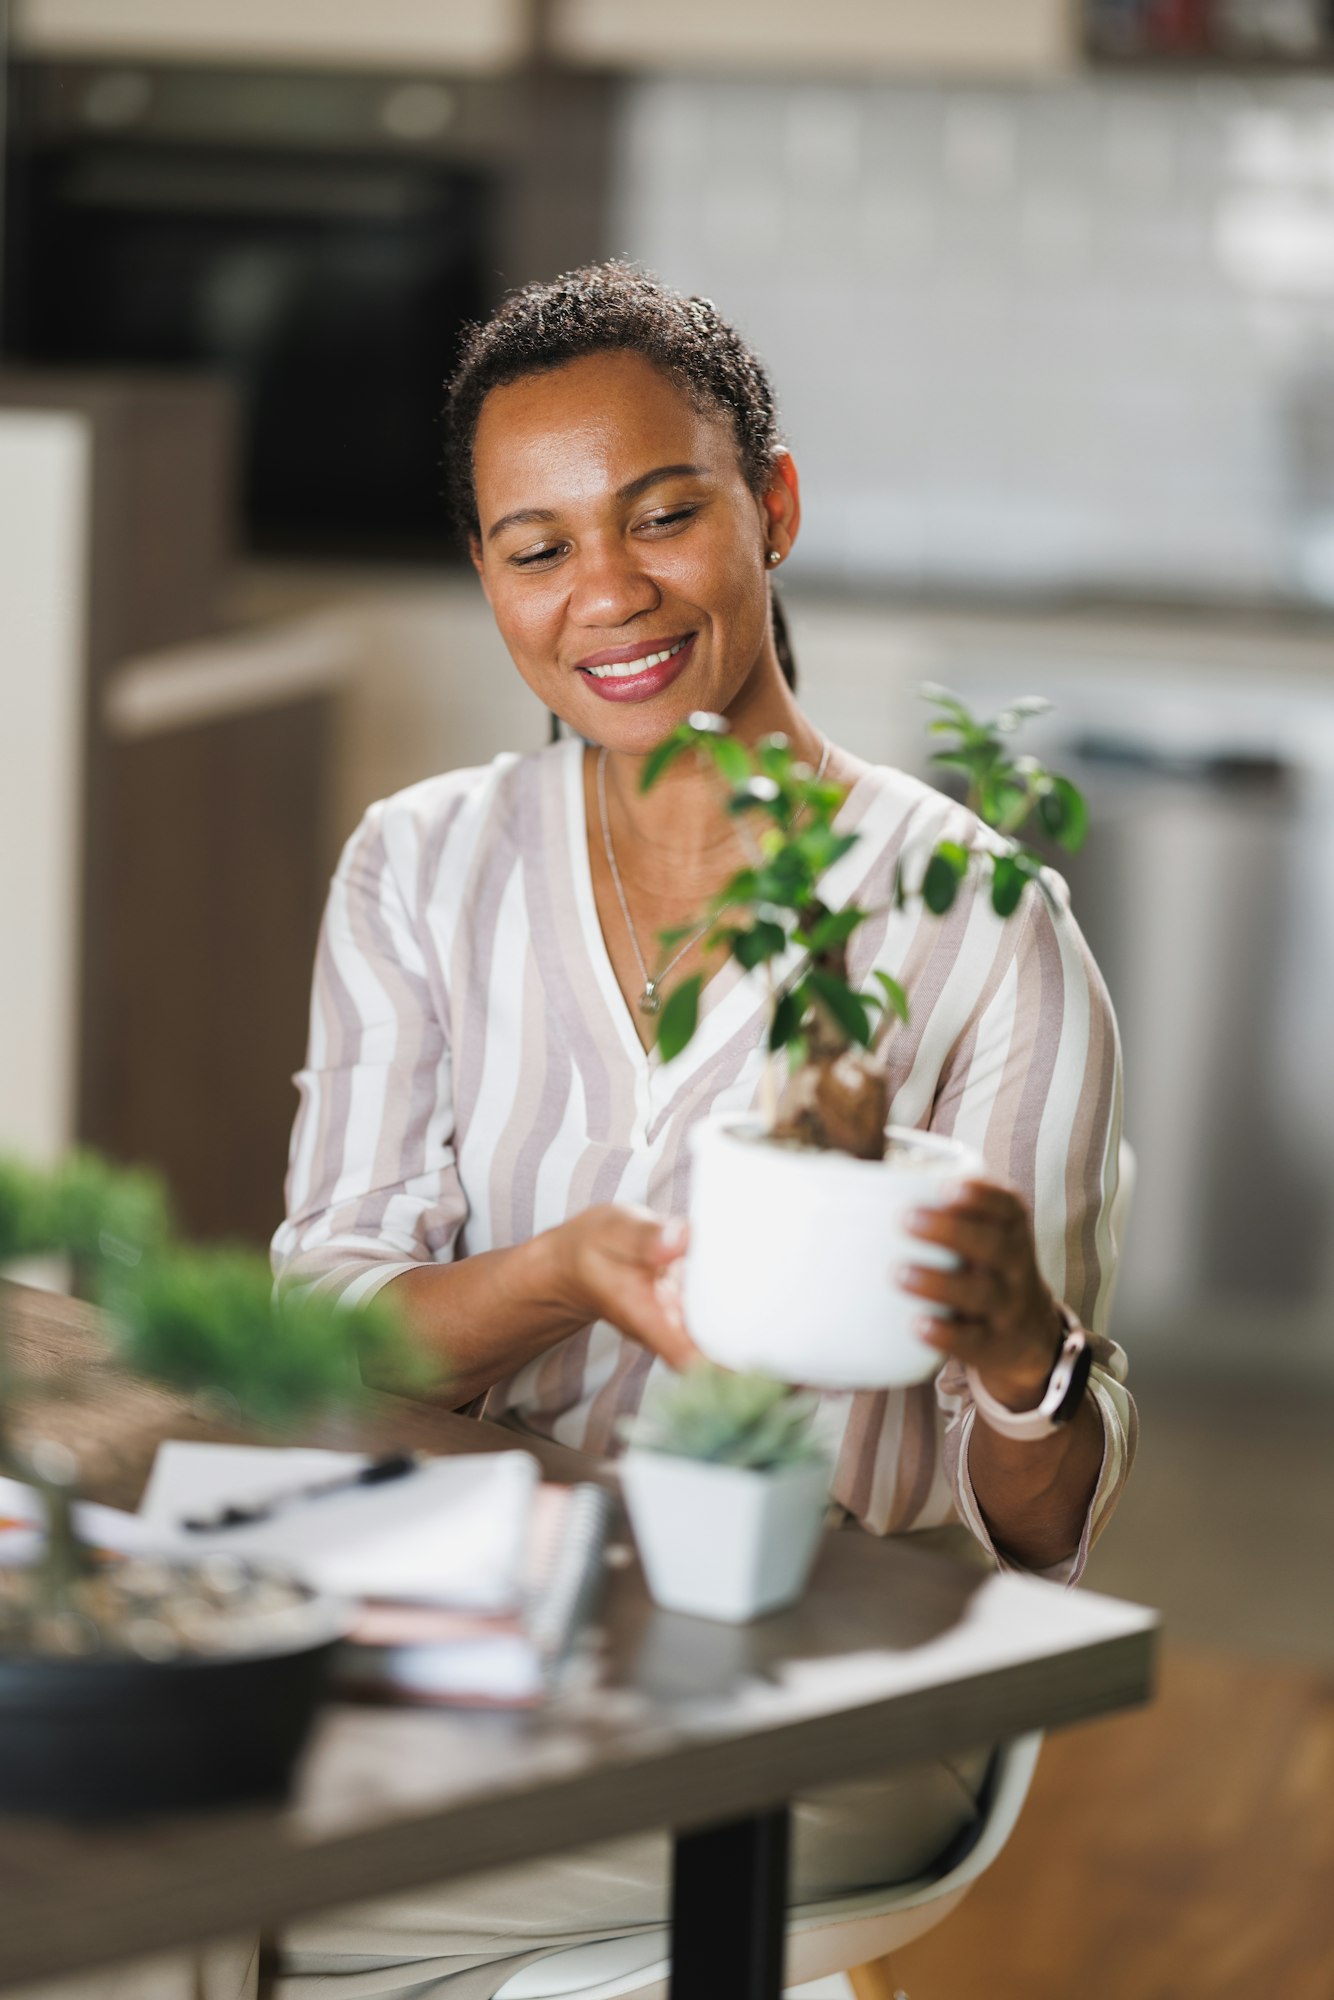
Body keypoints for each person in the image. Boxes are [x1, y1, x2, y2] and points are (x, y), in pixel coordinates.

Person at [269, 262, 1135, 1998]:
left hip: (814, 1689)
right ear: (490, 582)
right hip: (464, 1631)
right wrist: (569, 1273)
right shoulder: (418, 870)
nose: (607, 593)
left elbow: (1041, 1536)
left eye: (663, 516)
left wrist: (1023, 1350)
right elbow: (316, 1350)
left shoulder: (976, 921)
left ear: (772, 508)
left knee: (209, 1906)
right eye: (537, 547)